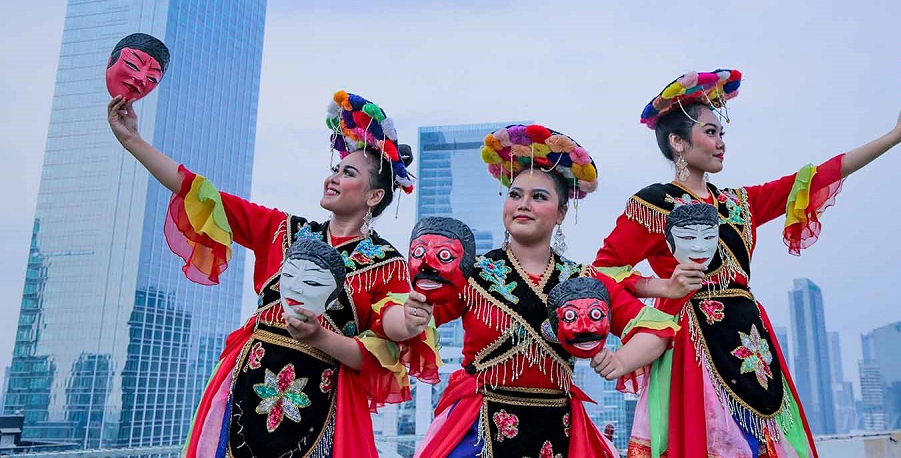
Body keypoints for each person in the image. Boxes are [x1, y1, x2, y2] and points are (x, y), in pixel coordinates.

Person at [593, 69, 901, 457]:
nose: (721, 143)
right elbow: (603, 270)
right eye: (710, 132)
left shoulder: (738, 203)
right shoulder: (654, 204)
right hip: (693, 339)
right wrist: (662, 287)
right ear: (677, 141)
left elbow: (816, 177)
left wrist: (897, 134)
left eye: (721, 133)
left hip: (750, 337)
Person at [107, 90, 439, 458]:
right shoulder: (284, 231)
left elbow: (385, 338)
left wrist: (408, 320)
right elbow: (202, 193)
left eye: (347, 173)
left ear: (374, 196)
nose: (332, 178)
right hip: (247, 383)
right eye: (335, 169)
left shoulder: (385, 262)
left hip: (321, 399)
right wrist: (132, 140)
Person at [416, 124, 678, 458]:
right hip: (480, 428)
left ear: (561, 213)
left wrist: (620, 360)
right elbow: (417, 318)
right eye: (515, 195)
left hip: (557, 431)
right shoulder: (471, 273)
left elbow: (656, 328)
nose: (523, 204)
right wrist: (412, 315)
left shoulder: (583, 280)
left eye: (538, 197)